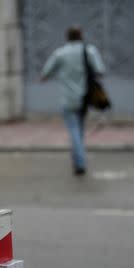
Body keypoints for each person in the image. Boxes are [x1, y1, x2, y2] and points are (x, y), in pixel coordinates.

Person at [41, 26, 105, 176]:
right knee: (79, 129)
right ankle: (78, 160)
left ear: (67, 37)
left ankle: (79, 162)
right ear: (81, 36)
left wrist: (46, 76)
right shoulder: (89, 51)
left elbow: (45, 73)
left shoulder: (60, 53)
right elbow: (100, 70)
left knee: (74, 130)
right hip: (84, 98)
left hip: (67, 99)